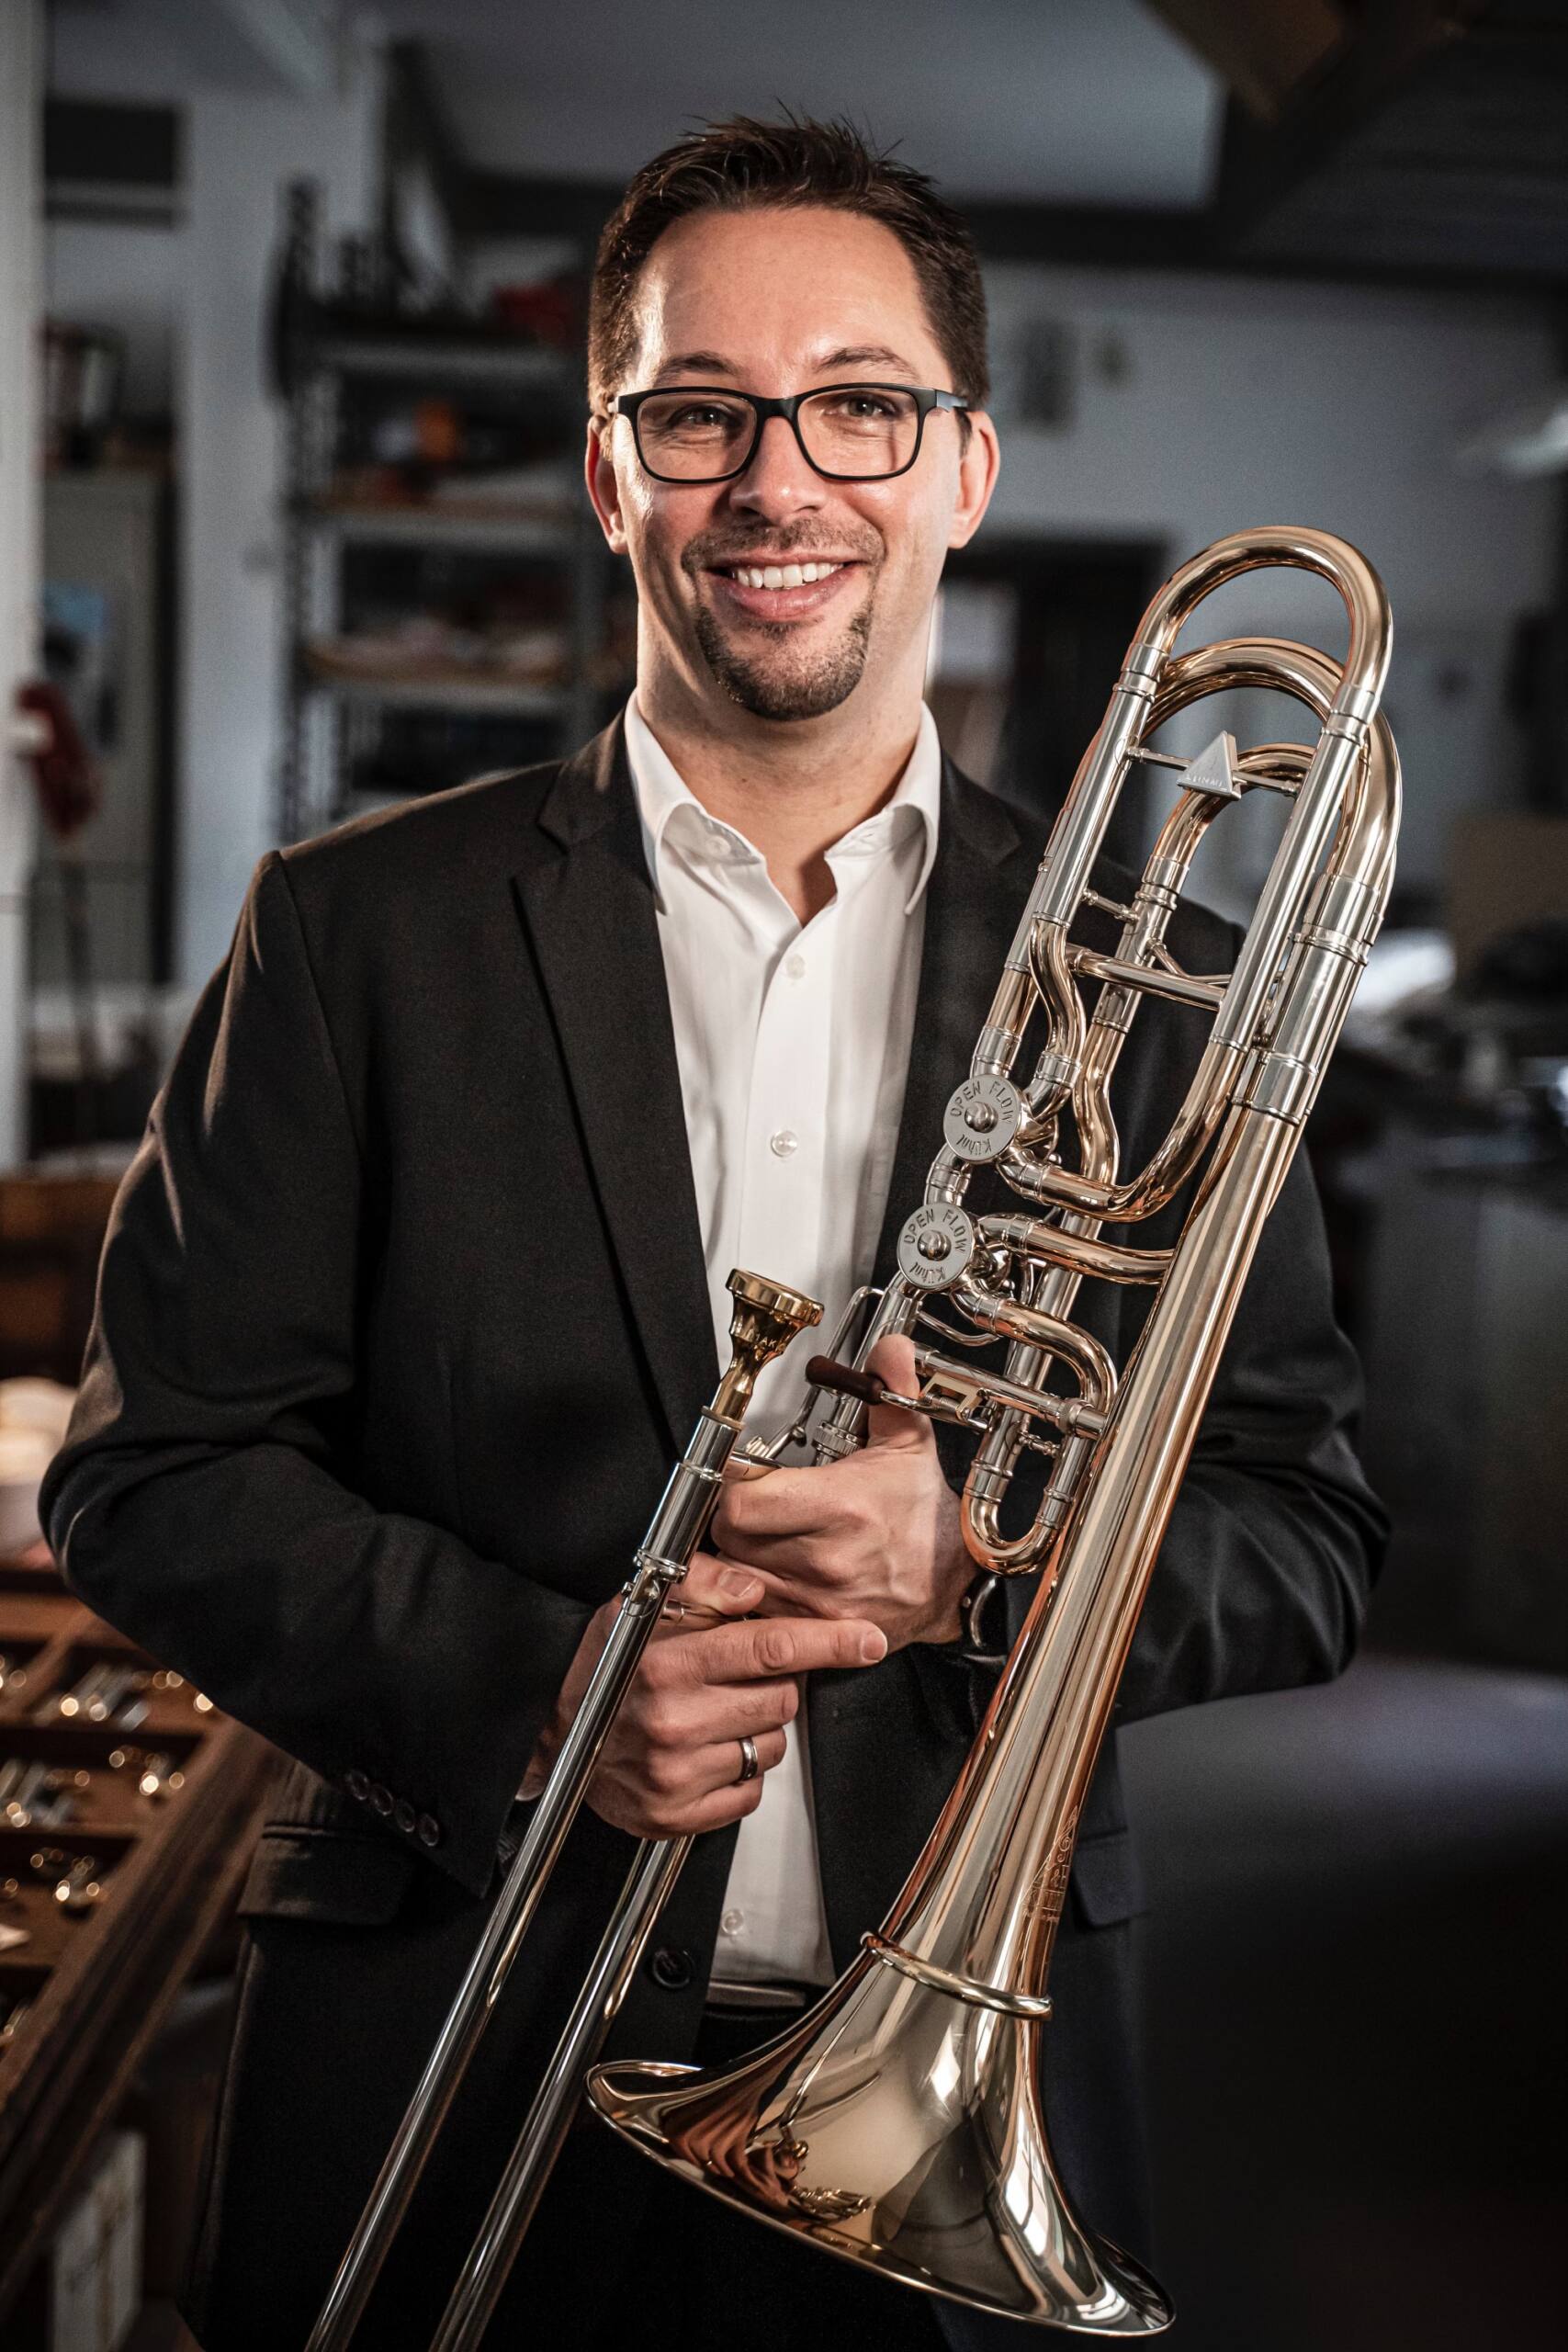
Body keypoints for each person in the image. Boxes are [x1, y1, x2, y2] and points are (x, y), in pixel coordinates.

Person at [40, 116, 1385, 2352]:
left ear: (959, 467)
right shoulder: (349, 935)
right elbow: (152, 1471)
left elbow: (1303, 1532)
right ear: (608, 469)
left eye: (859, 403)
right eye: (697, 412)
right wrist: (531, 1683)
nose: (779, 483)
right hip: (437, 2038)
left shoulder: (1177, 993)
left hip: (958, 2083)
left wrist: (984, 1565)